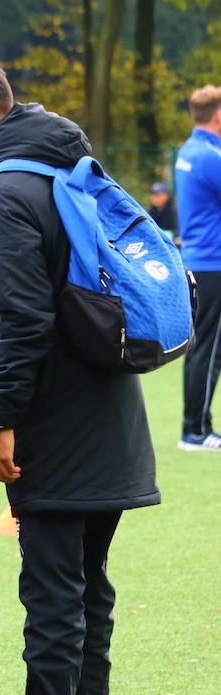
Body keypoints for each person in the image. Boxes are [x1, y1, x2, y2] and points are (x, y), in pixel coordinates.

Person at [0, 54, 160, 695]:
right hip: (113, 412)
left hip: (58, 425)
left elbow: (22, 322)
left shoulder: (2, 193)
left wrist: (1, 417)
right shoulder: (72, 169)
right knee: (88, 589)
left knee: (55, 594)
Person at [174, 84, 221, 451]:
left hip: (199, 259)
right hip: (213, 263)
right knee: (208, 347)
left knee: (204, 346)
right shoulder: (209, 155)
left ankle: (196, 426)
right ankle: (196, 430)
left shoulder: (189, 150)